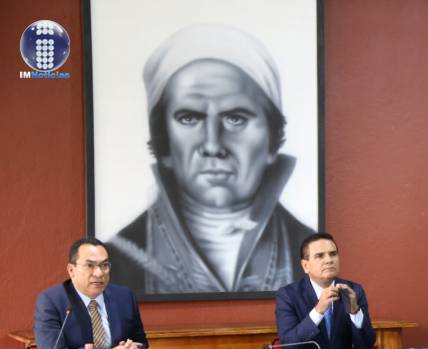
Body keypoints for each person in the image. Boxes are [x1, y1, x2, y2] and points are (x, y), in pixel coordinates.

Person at [107, 24, 313, 295]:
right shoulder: (116, 263)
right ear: (163, 139)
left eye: (236, 118)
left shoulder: (310, 251)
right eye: (189, 118)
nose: (213, 145)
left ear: (272, 139)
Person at [34, 237, 148, 349]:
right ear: (71, 270)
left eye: (104, 265)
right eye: (90, 265)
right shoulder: (51, 301)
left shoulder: (124, 296)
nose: (99, 273)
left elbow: (141, 342)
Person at [275, 233, 376, 349]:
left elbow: (367, 345)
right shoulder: (288, 295)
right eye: (319, 256)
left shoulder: (353, 290)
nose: (329, 260)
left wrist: (355, 312)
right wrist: (318, 311)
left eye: (333, 254)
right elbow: (289, 346)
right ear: (305, 266)